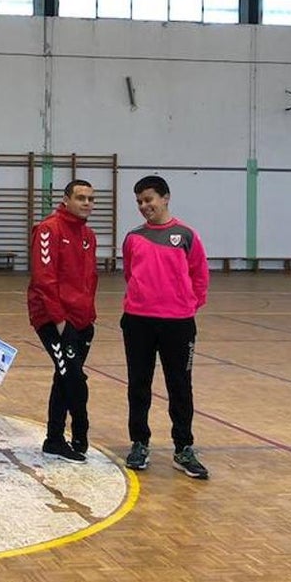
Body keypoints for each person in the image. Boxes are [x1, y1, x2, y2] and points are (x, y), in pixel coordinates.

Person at [121, 175, 211, 480]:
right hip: (138, 321)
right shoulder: (133, 237)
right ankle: (139, 443)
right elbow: (131, 274)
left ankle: (183, 447)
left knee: (180, 387)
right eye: (139, 202)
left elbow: (199, 275)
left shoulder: (186, 235)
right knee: (138, 384)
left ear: (165, 198)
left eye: (149, 199)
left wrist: (186, 305)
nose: (144, 206)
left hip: (179, 324)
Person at [27, 179, 98, 464]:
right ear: (66, 199)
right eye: (81, 198)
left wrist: (88, 317)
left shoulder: (88, 235)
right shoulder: (48, 230)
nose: (87, 204)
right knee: (73, 377)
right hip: (52, 318)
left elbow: (90, 279)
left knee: (66, 375)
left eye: (91, 199)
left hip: (82, 319)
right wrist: (59, 321)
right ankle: (74, 431)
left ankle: (54, 439)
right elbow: (45, 279)